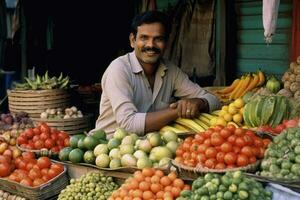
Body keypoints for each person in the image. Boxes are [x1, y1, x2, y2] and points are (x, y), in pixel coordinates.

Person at [92, 11, 220, 137]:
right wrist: (176, 111)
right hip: (107, 147)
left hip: (149, 147)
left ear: (166, 43)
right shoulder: (119, 69)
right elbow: (128, 123)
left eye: (158, 39)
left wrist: (199, 102)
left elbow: (214, 101)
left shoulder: (171, 71)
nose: (150, 45)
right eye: (144, 38)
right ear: (132, 40)